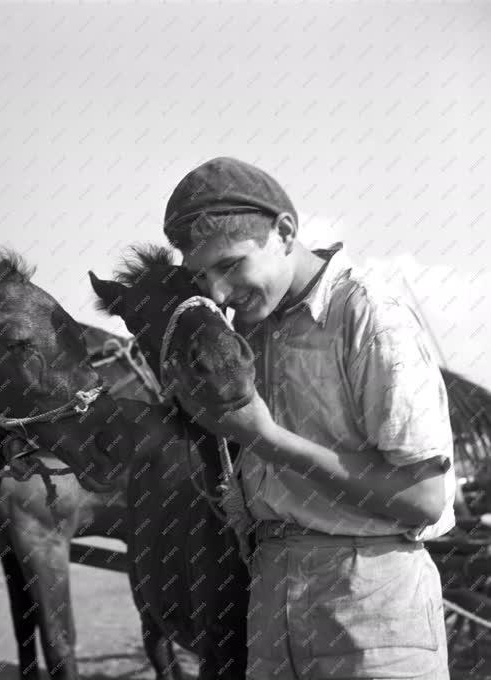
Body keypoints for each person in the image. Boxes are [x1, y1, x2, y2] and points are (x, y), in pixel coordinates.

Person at [163, 157, 455, 680]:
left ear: (285, 231)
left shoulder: (369, 315)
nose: (220, 293)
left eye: (230, 265)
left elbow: (424, 499)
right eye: (203, 276)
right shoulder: (245, 334)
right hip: (271, 604)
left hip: (372, 613)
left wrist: (266, 439)